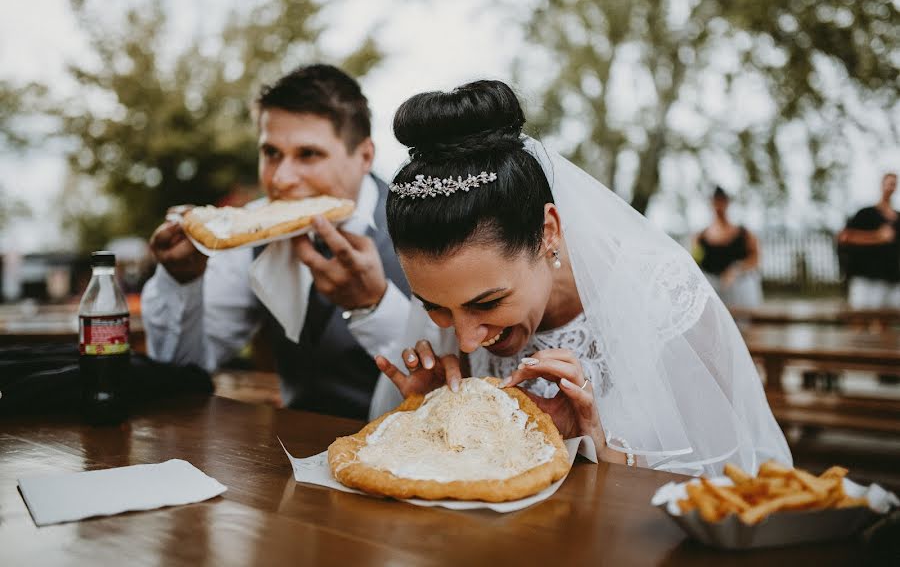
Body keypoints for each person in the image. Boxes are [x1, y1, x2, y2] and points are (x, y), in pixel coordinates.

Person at [370, 80, 791, 476]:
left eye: (488, 303)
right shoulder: (453, 306)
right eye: (435, 308)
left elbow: (733, 477)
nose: (463, 339)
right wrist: (427, 417)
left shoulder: (664, 296)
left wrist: (598, 448)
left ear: (548, 231)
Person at [140, 64, 411, 419]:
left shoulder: (420, 226)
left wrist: (374, 305)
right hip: (291, 452)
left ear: (364, 156)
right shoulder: (248, 234)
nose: (281, 179)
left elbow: (460, 384)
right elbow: (181, 368)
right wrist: (182, 280)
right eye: (271, 154)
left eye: (308, 154)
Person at [837, 172, 900, 310]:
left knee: (886, 322)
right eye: (889, 183)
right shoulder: (866, 214)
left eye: (894, 184)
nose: (891, 187)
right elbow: (844, 237)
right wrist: (877, 237)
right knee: (860, 320)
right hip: (865, 277)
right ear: (881, 185)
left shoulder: (898, 218)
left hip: (892, 278)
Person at [692, 186, 762, 308]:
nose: (719, 206)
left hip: (739, 291)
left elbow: (755, 259)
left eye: (722, 201)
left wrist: (737, 269)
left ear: (727, 203)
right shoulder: (700, 237)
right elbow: (695, 263)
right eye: (716, 201)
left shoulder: (744, 234)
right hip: (713, 292)